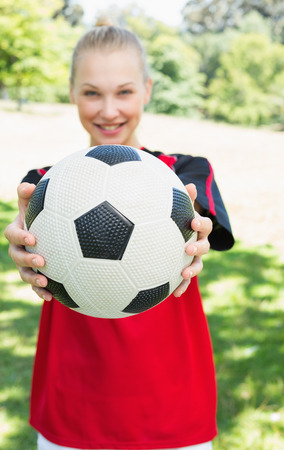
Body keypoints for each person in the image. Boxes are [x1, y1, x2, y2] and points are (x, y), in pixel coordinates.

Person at [5, 25, 234, 450]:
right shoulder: (45, 186)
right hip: (73, 405)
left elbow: (198, 212)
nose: (108, 110)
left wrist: (195, 231)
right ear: (72, 92)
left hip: (172, 405)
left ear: (147, 90)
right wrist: (21, 248)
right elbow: (23, 233)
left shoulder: (184, 173)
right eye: (92, 93)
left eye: (124, 92)